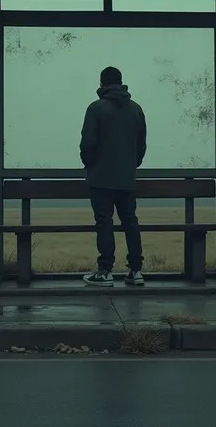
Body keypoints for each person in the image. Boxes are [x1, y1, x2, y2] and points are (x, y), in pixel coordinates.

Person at [80, 66, 147, 287]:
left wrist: (92, 165)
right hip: (126, 178)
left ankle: (105, 271)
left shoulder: (96, 109)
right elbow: (141, 146)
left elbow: (87, 144)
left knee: (104, 222)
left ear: (101, 83)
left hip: (101, 179)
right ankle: (136, 271)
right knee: (130, 221)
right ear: (121, 82)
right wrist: (130, 165)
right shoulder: (136, 110)